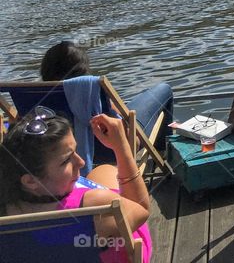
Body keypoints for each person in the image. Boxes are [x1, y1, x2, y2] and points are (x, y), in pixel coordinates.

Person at [0, 107, 152, 262]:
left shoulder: (6, 212)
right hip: (120, 251)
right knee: (109, 171)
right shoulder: (95, 206)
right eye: (66, 160)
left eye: (75, 151)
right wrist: (121, 147)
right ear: (31, 180)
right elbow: (142, 209)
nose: (81, 162)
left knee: (103, 170)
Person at [40, 40, 175, 152]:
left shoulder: (37, 101)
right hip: (121, 148)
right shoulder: (93, 95)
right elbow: (134, 141)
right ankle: (164, 152)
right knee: (164, 90)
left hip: (73, 153)